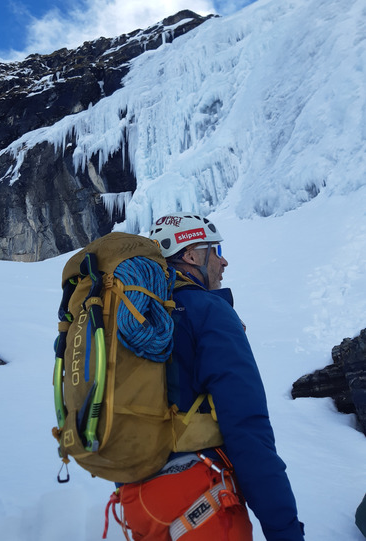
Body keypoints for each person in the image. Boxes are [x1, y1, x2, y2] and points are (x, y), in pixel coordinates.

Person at [117, 213, 304, 541]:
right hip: (200, 501)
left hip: (137, 502)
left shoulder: (133, 313)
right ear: (191, 255)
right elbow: (247, 429)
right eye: (215, 250)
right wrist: (285, 532)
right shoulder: (208, 311)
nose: (223, 260)